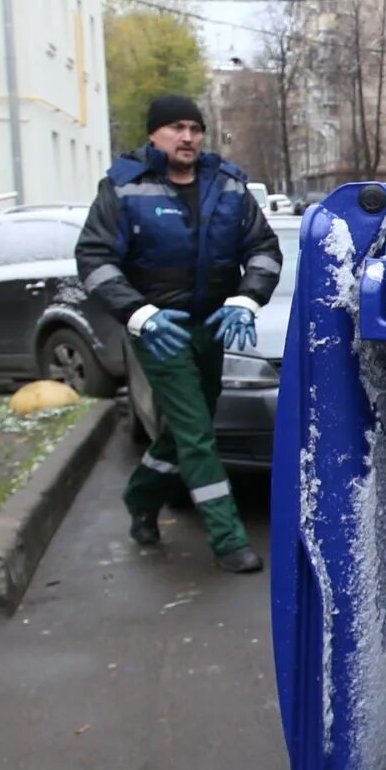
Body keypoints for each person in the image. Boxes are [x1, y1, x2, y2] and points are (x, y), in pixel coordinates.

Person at [77, 93, 283, 574]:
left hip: (212, 325)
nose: (187, 137)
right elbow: (94, 259)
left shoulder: (228, 186)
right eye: (176, 128)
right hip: (159, 330)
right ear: (154, 134)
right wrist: (140, 315)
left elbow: (264, 249)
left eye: (195, 128)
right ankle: (228, 539)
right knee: (195, 433)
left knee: (191, 427)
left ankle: (140, 498)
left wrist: (246, 298)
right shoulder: (125, 188)